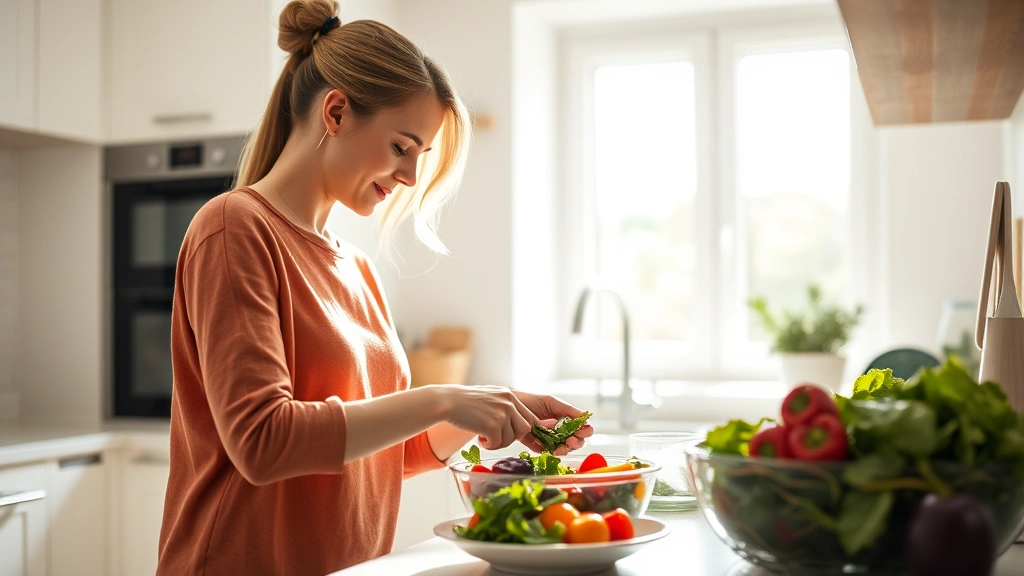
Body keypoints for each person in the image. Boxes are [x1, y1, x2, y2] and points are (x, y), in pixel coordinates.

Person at [155, 1, 592, 574]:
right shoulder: (235, 227)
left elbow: (382, 455)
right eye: (401, 147)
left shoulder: (357, 268)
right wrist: (443, 397)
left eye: (420, 156)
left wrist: (487, 408)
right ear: (335, 112)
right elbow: (263, 442)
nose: (411, 177)